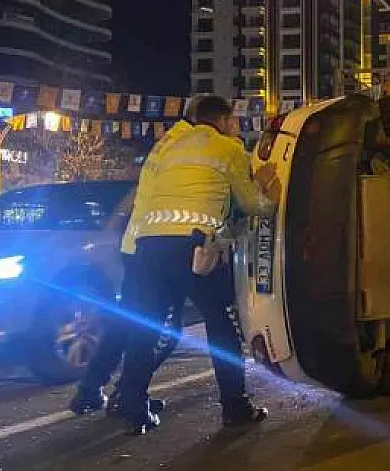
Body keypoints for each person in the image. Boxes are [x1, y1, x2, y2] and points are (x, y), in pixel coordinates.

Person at [116, 95, 279, 435]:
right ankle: (235, 407)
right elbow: (252, 205)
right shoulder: (227, 148)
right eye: (232, 120)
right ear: (221, 120)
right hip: (194, 248)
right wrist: (271, 197)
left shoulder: (169, 147)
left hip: (148, 244)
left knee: (146, 328)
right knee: (221, 325)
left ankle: (131, 406)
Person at [68, 97, 211, 417]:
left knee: (127, 322)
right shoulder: (187, 149)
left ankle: (90, 389)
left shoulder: (164, 149)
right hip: (150, 250)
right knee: (161, 330)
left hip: (135, 247)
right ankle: (127, 396)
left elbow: (130, 203)